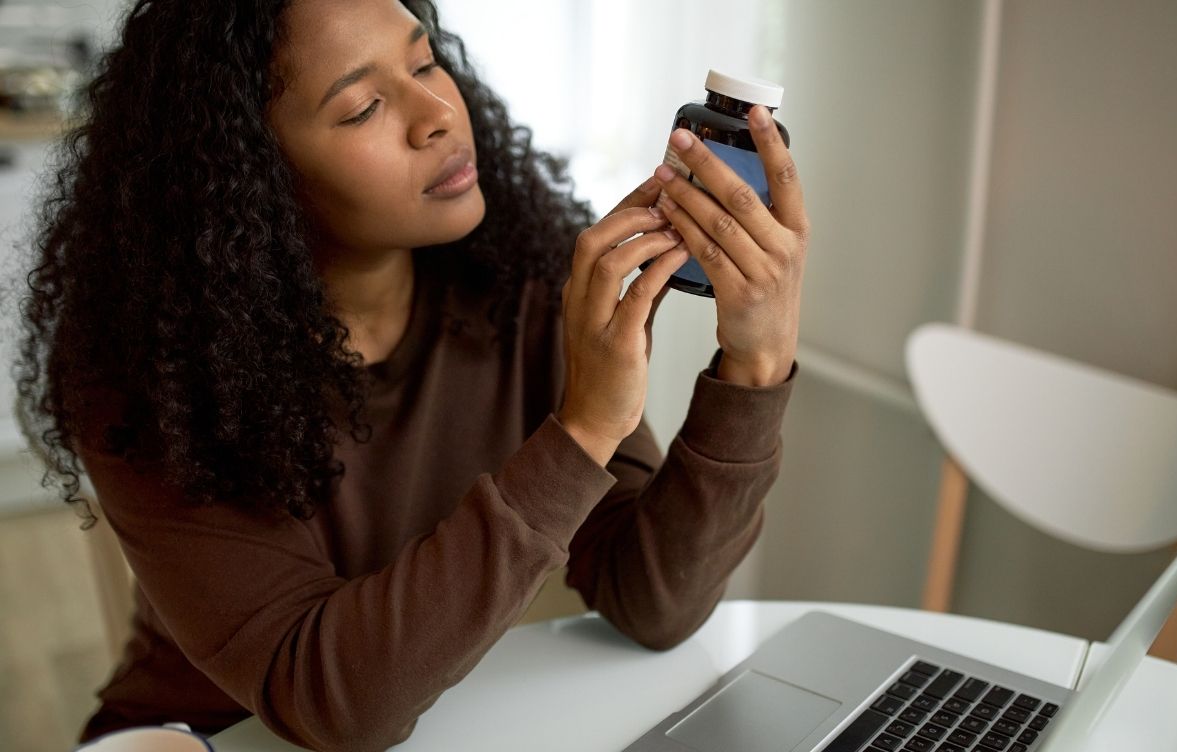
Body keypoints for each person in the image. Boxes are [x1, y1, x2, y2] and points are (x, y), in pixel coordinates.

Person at [15, 0, 809, 749]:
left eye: (425, 65)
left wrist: (755, 364)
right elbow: (332, 704)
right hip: (213, 737)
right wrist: (584, 429)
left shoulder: (524, 285)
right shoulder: (153, 378)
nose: (438, 117)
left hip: (440, 720)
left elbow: (654, 601)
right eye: (362, 108)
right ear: (247, 171)